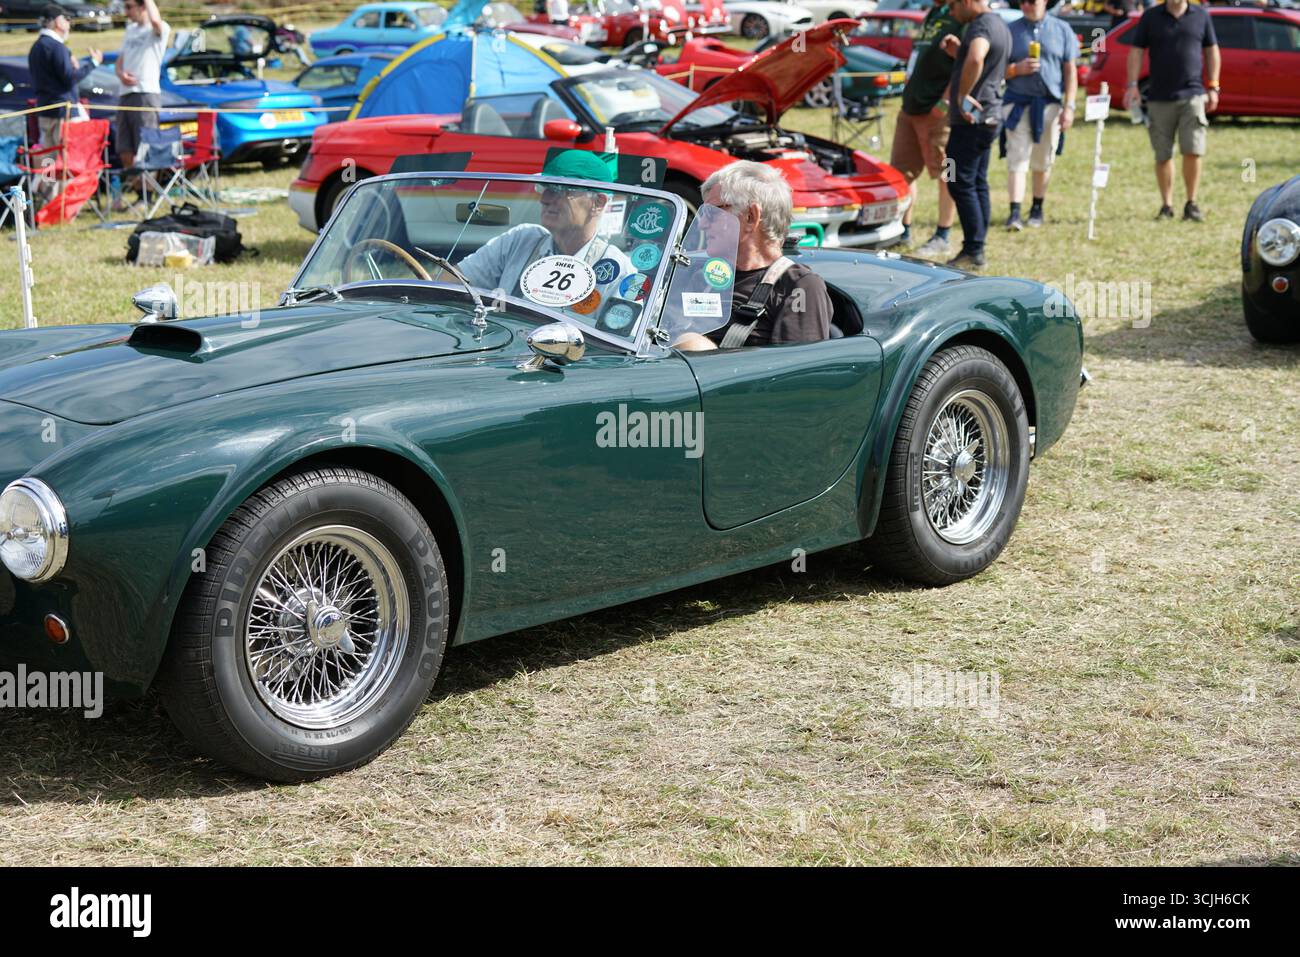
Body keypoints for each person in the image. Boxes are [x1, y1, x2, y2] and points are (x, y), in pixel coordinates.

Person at [672, 161, 833, 351]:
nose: (702, 224)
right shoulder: (703, 275)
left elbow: (797, 373)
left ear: (750, 217)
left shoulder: (798, 286)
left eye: (712, 212)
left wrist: (700, 350)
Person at [457, 149, 635, 307]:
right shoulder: (521, 240)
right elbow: (453, 283)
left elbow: (620, 339)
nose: (545, 199)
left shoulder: (619, 270)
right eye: (544, 188)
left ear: (598, 202)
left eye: (560, 189)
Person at [1124, 0, 1219, 222]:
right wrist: (1132, 86)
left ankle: (1191, 203)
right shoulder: (1150, 17)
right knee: (1163, 154)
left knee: (1193, 150)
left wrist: (1213, 85)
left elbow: (1211, 50)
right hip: (1159, 97)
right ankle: (1166, 205)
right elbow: (1136, 51)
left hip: (1193, 95)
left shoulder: (1201, 16)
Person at [940, 0, 1011, 269]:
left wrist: (961, 95)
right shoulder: (999, 24)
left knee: (958, 181)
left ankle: (973, 250)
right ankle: (977, 245)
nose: (951, 11)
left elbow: (978, 57)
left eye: (954, 5)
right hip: (990, 116)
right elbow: (983, 59)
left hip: (972, 119)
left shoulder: (980, 26)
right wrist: (959, 52)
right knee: (977, 181)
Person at [890, 0, 962, 259]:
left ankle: (943, 234)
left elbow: (964, 64)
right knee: (902, 173)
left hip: (937, 112)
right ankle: (902, 230)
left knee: (947, 173)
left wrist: (944, 103)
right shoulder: (933, 13)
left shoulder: (961, 15)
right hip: (910, 107)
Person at [1001, 0, 1078, 230]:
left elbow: (1070, 70)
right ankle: (1014, 212)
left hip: (1049, 105)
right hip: (1017, 103)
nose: (1026, 5)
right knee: (1017, 156)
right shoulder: (1010, 30)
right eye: (1022, 1)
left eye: (1032, 1)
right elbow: (996, 70)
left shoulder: (1062, 30)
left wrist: (1070, 106)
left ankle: (1037, 207)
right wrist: (1016, 69)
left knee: (1043, 159)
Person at [27, 4, 101, 148]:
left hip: (44, 110)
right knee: (69, 160)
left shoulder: (36, 47)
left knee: (48, 160)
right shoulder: (56, 47)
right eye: (67, 19)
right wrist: (93, 63)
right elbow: (69, 79)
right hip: (62, 112)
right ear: (57, 22)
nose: (69, 23)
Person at [115, 0, 169, 175]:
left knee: (145, 144)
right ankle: (135, 187)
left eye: (130, 7)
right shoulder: (130, 30)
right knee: (124, 146)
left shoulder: (158, 29)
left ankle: (147, 193)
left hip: (145, 93)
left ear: (142, 7)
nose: (126, 12)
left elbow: (155, 22)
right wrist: (120, 74)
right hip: (125, 94)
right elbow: (119, 62)